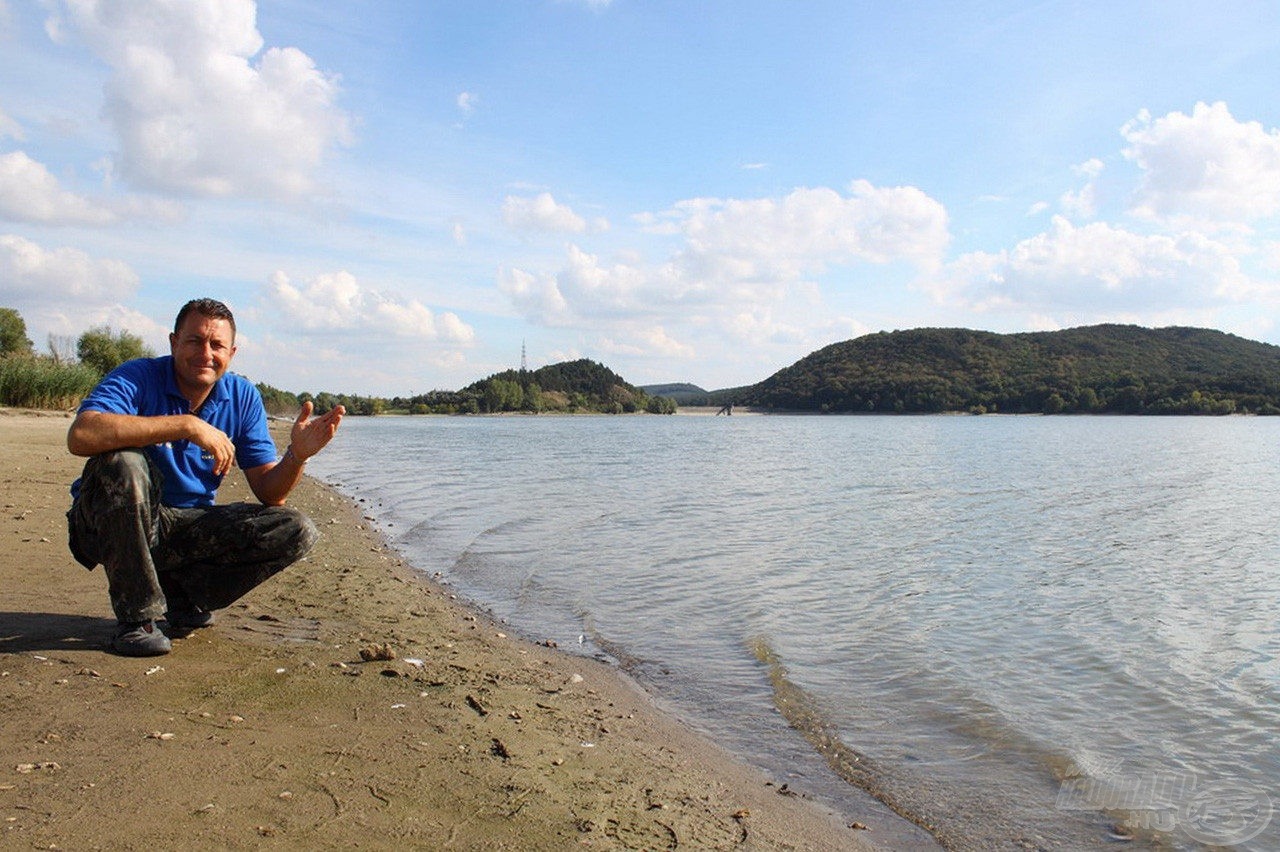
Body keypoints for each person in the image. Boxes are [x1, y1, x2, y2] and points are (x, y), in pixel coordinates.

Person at [65, 298, 345, 657]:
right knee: (123, 462)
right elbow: (82, 435)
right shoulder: (138, 376)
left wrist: (297, 456)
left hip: (182, 527)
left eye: (217, 345)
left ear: (232, 352)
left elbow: (270, 493)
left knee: (294, 527)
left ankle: (184, 598)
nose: (206, 353)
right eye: (194, 341)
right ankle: (137, 620)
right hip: (103, 525)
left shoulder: (242, 397)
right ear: (173, 343)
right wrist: (187, 425)